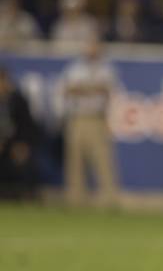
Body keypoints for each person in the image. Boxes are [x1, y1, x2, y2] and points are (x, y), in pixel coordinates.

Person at [60, 37, 120, 207]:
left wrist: (84, 88)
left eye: (95, 47)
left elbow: (106, 90)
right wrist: (91, 88)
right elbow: (68, 90)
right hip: (77, 118)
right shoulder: (75, 68)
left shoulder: (106, 69)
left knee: (103, 162)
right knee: (75, 161)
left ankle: (110, 200)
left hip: (97, 118)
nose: (92, 50)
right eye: (89, 47)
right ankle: (75, 200)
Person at [0, 67, 42, 200]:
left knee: (23, 161)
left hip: (16, 143)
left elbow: (27, 126)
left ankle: (27, 195)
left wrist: (22, 144)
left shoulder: (18, 100)